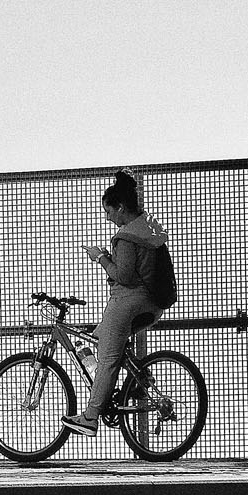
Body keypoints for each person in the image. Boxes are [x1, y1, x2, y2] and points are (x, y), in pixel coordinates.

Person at [61, 169, 169, 437]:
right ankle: (138, 380)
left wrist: (100, 258)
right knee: (104, 338)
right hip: (153, 303)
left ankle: (90, 416)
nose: (107, 217)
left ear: (120, 207)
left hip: (129, 302)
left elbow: (125, 276)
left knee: (107, 358)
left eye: (109, 211)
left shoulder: (125, 236)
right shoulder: (147, 226)